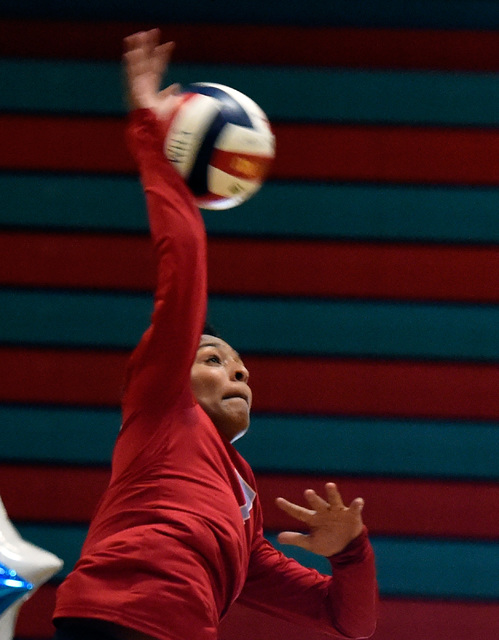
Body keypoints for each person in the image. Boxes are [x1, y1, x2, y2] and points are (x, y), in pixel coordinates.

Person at [52, 29, 378, 640]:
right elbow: (185, 257)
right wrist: (150, 130)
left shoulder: (243, 507)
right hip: (114, 619)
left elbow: (351, 621)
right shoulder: (161, 402)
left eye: (240, 367)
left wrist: (351, 550)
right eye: (214, 357)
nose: (240, 372)